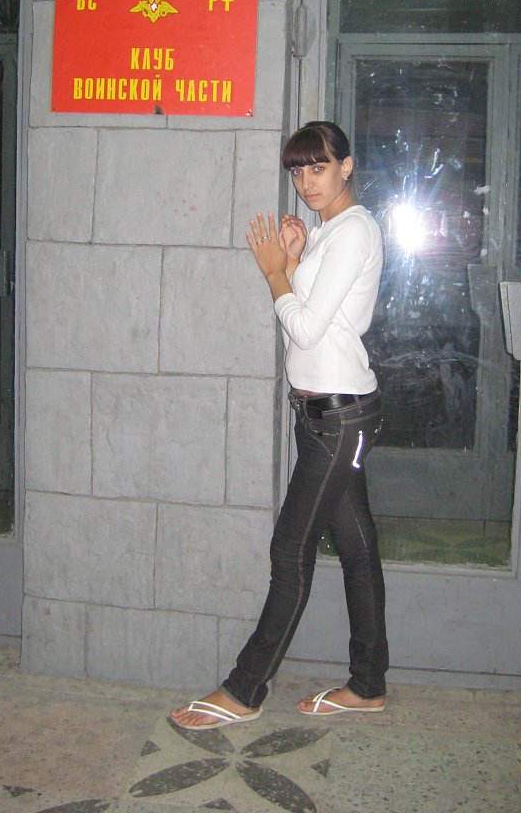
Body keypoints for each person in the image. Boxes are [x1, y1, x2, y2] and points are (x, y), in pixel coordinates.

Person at [170, 120, 388, 729]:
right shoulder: (327, 232)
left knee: (290, 550)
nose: (306, 182)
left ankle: (244, 690)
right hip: (326, 414)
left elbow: (308, 329)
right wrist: (293, 258)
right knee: (357, 548)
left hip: (339, 418)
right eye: (298, 171)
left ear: (346, 166)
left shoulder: (354, 230)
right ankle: (368, 685)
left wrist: (273, 272)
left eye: (319, 167)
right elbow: (321, 317)